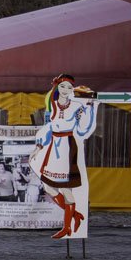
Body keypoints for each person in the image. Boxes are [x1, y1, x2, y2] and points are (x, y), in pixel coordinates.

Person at [30, 74, 98, 238]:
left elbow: (83, 129)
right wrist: (39, 146)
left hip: (67, 146)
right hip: (54, 146)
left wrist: (89, 107)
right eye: (63, 86)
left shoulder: (77, 106)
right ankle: (75, 216)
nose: (66, 90)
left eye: (69, 87)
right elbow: (49, 127)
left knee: (66, 188)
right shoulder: (52, 105)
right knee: (48, 186)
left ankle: (67, 227)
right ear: (57, 88)